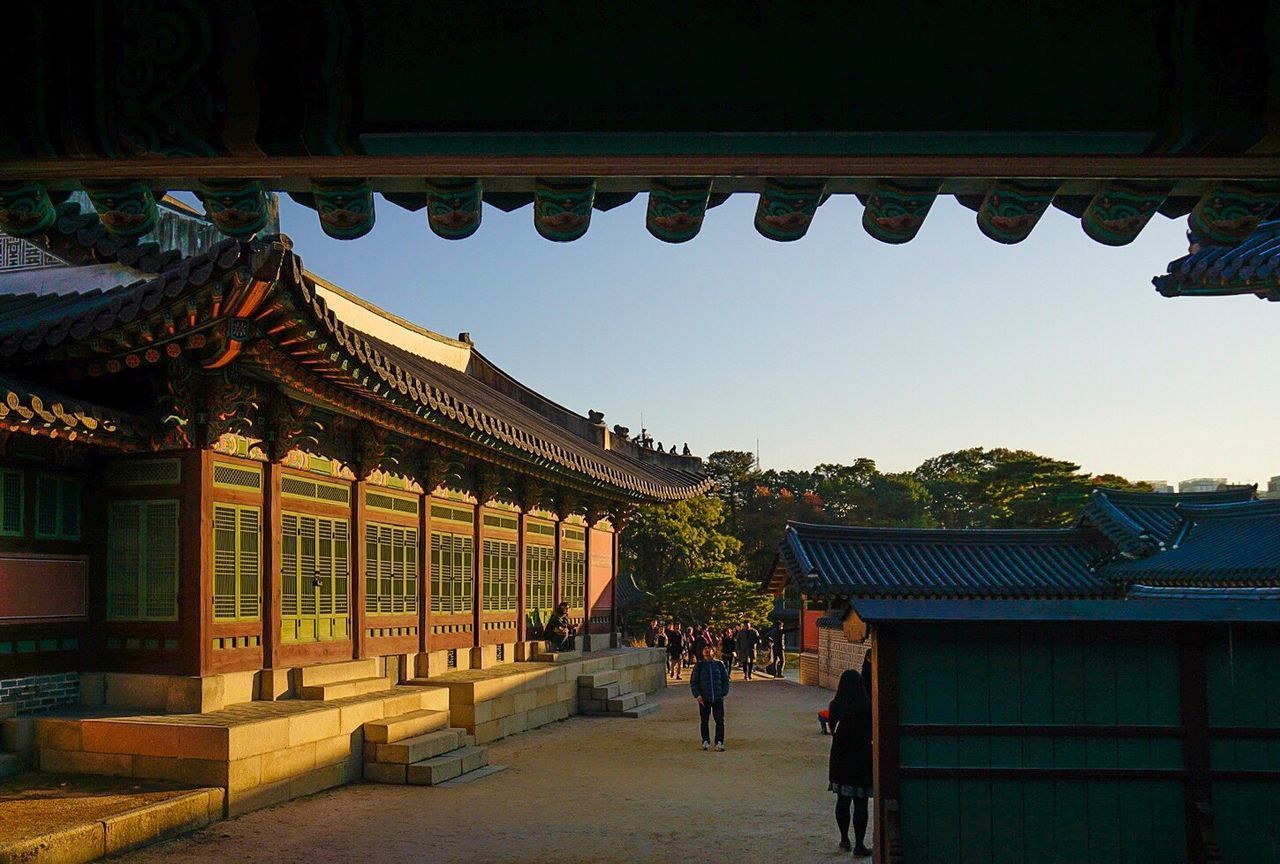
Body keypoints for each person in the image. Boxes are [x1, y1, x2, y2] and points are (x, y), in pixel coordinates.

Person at [828, 669, 873, 856]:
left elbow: (832, 728)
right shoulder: (867, 706)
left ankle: (844, 838)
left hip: (841, 754)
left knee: (843, 800)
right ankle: (860, 844)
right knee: (861, 802)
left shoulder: (836, 705)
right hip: (861, 755)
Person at [689, 644, 730, 751]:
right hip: (704, 698)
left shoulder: (719, 664)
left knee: (719, 720)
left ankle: (719, 741)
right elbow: (694, 682)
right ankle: (705, 740)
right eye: (705, 650)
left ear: (713, 652)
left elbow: (725, 680)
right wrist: (697, 695)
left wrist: (723, 692)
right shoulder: (699, 665)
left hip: (717, 697)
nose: (707, 652)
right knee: (704, 720)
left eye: (709, 650)